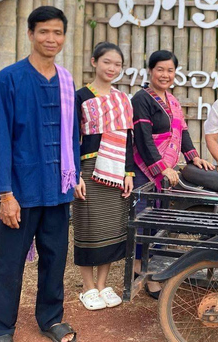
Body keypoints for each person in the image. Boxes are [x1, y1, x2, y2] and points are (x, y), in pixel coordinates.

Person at [0, 6, 83, 342]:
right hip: (22, 190)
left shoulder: (67, 81)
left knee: (55, 258)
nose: (51, 38)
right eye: (44, 31)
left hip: (57, 190)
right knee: (9, 261)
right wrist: (6, 194)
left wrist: (75, 176)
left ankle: (51, 318)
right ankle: (1, 327)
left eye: (57, 32)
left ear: (64, 37)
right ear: (30, 34)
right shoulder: (10, 79)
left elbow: (72, 135)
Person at [131, 49, 214, 298]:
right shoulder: (141, 99)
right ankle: (140, 270)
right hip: (145, 171)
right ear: (150, 71)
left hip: (165, 175)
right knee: (144, 222)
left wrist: (193, 157)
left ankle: (151, 268)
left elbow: (182, 132)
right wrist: (161, 167)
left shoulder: (173, 101)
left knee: (160, 223)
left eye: (170, 70)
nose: (165, 74)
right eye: (160, 69)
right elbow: (143, 139)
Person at [72, 42, 136, 311]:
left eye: (117, 64)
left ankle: (102, 284)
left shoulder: (123, 99)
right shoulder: (80, 96)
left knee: (112, 227)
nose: (112, 68)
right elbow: (72, 137)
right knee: (89, 226)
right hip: (88, 169)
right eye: (107, 62)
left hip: (116, 170)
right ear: (94, 62)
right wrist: (75, 175)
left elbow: (129, 138)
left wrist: (129, 173)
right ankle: (88, 287)